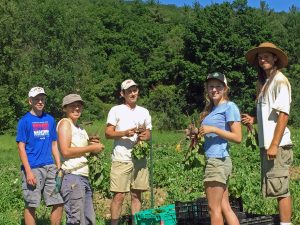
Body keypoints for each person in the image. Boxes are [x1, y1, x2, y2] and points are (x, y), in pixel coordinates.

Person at [242, 42, 293, 225]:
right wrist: (253, 120)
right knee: (276, 186)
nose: (262, 59)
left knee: (281, 189)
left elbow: (283, 115)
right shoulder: (264, 84)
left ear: (275, 58)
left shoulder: (280, 81)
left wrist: (273, 144)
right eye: (260, 57)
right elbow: (269, 114)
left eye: (266, 56)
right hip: (269, 145)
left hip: (277, 145)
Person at [105, 79, 152, 225]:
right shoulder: (116, 110)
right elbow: (108, 133)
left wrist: (145, 135)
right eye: (129, 91)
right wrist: (125, 132)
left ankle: (135, 223)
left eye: (135, 90)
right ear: (122, 94)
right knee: (118, 196)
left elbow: (149, 133)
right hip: (121, 158)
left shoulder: (144, 111)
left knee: (136, 195)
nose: (133, 93)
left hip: (139, 159)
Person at [198, 73, 242, 225]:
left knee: (213, 208)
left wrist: (213, 130)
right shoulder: (212, 109)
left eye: (218, 86)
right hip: (215, 160)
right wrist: (196, 133)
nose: (214, 89)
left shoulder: (229, 107)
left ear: (225, 88)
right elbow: (209, 132)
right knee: (224, 207)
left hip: (218, 160)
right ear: (207, 89)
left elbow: (237, 137)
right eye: (211, 86)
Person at [16, 87, 64, 225]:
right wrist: (28, 172)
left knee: (58, 201)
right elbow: (21, 147)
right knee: (32, 204)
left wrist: (58, 166)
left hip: (50, 166)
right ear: (30, 101)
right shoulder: (24, 121)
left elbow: (54, 144)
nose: (40, 101)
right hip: (33, 168)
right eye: (37, 99)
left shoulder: (50, 119)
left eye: (42, 99)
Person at [57, 94, 104, 225]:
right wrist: (90, 148)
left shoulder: (80, 128)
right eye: (72, 105)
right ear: (65, 108)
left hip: (83, 176)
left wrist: (93, 147)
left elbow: (81, 150)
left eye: (79, 105)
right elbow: (66, 151)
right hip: (72, 176)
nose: (77, 108)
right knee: (75, 219)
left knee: (88, 219)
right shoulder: (65, 124)